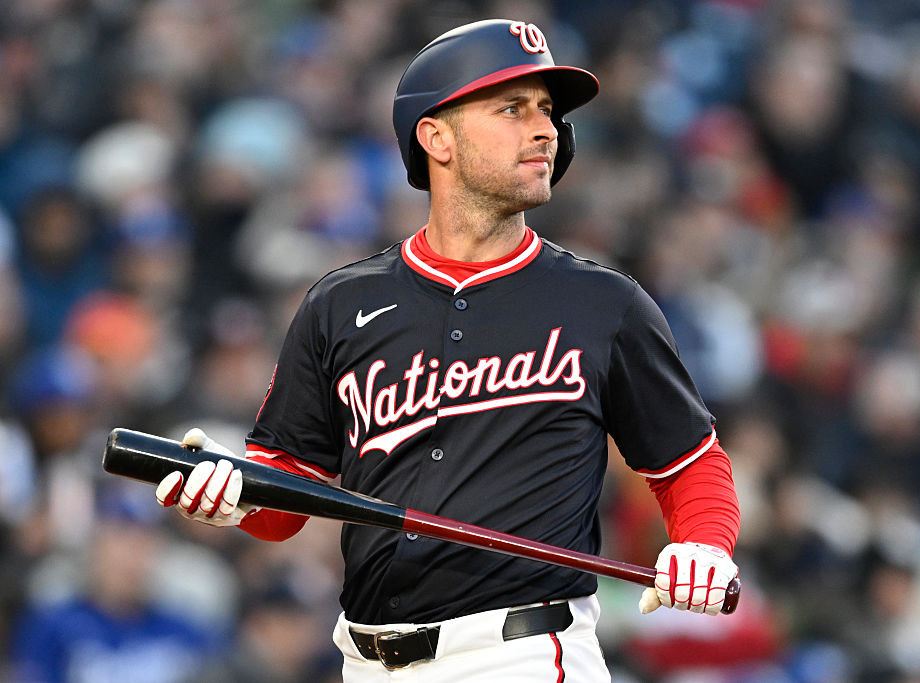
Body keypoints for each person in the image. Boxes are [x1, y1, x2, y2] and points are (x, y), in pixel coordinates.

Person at [154, 19, 741, 680]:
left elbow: (689, 462)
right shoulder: (339, 304)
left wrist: (704, 547)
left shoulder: (604, 303)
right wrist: (237, 493)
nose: (544, 129)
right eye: (512, 109)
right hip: (368, 660)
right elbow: (286, 501)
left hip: (522, 653)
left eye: (546, 111)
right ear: (436, 136)